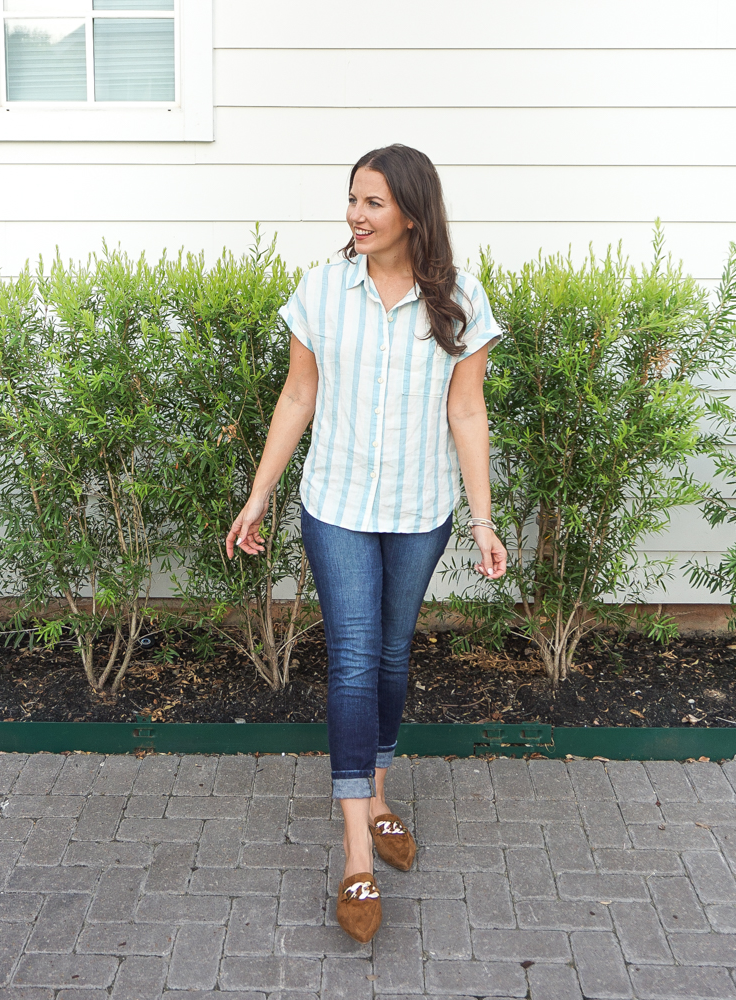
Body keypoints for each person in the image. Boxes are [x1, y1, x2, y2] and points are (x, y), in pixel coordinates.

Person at [225, 143, 507, 942]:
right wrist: (259, 494)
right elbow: (298, 394)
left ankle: (378, 793)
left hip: (421, 510)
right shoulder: (321, 288)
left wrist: (482, 520)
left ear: (412, 213)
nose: (355, 213)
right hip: (338, 506)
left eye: (373, 202)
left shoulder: (458, 299)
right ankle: (356, 849)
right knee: (351, 657)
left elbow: (467, 414)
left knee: (391, 653)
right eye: (352, 198)